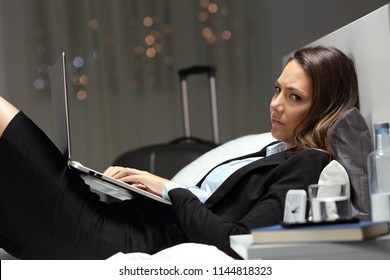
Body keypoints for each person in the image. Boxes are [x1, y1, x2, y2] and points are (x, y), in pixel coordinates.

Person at [0, 45, 359, 259]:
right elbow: (212, 203)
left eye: (294, 97)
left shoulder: (308, 164)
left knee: (8, 124)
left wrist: (170, 189)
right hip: (125, 221)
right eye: (277, 90)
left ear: (324, 107)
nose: (276, 105)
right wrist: (152, 188)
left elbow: (236, 242)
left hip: (126, 240)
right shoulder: (276, 148)